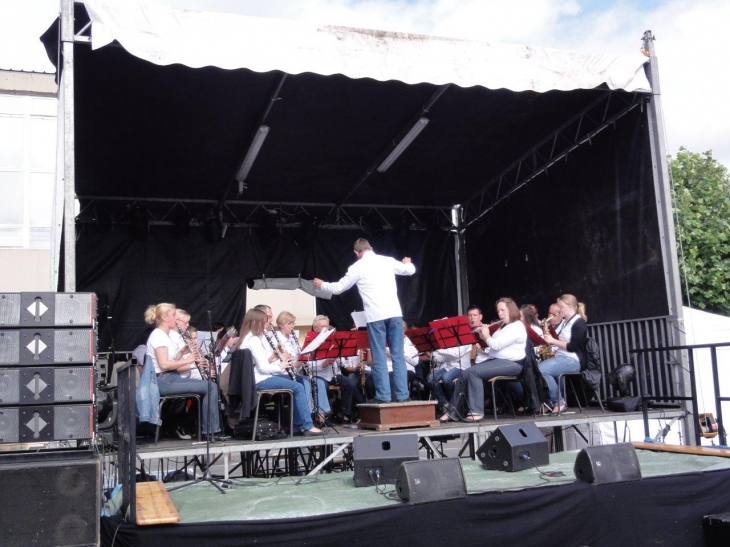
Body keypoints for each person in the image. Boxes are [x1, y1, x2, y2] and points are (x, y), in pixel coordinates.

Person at [313, 238, 415, 404]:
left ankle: (384, 396)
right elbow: (409, 271)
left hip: (375, 317)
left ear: (356, 253)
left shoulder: (357, 267)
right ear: (371, 248)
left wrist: (322, 284)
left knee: (379, 356)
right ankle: (403, 395)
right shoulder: (387, 260)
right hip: (395, 314)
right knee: (398, 355)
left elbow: (339, 288)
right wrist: (408, 263)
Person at [235, 308, 323, 436]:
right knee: (298, 387)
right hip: (261, 380)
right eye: (264, 322)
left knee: (297, 382)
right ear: (255, 322)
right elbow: (263, 369)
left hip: (256, 378)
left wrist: (276, 358)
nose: (266, 325)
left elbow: (260, 363)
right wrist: (282, 365)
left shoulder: (246, 338)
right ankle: (307, 425)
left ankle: (297, 425)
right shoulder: (254, 340)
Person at [440, 297, 526, 422]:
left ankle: (476, 412)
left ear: (511, 310)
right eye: (498, 311)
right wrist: (483, 336)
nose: (500, 314)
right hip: (498, 361)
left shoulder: (516, 326)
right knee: (466, 372)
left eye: (503, 310)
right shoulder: (503, 326)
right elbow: (492, 345)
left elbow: (496, 345)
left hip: (513, 364)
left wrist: (486, 335)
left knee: (474, 372)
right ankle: (452, 411)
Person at [144, 303, 221, 438]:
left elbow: (171, 360)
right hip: (163, 380)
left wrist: (181, 352)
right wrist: (189, 360)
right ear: (164, 317)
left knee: (209, 386)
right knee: (211, 387)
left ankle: (205, 429)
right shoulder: (158, 336)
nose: (176, 318)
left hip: (170, 377)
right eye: (173, 315)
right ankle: (210, 431)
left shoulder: (165, 335)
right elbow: (164, 365)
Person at [276, 312, 331, 421]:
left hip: (294, 373)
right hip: (282, 374)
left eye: (293, 323)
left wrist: (304, 359)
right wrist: (300, 361)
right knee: (305, 383)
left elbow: (297, 362)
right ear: (281, 325)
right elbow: (285, 364)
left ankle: (321, 415)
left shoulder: (292, 339)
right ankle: (307, 415)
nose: (292, 326)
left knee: (319, 382)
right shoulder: (277, 340)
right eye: (289, 323)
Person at [307, 315, 361, 423]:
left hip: (333, 374)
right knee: (323, 386)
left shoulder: (333, 341)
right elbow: (308, 365)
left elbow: (341, 363)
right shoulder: (311, 343)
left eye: (327, 326)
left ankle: (344, 413)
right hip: (319, 375)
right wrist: (323, 364)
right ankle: (325, 415)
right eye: (322, 326)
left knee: (350, 383)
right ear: (315, 328)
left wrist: (337, 356)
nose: (325, 329)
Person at [540, 294, 588, 414]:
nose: (559, 310)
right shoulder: (567, 322)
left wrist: (552, 341)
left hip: (573, 360)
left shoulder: (579, 323)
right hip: (563, 357)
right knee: (539, 370)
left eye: (561, 307)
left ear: (570, 306)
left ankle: (558, 402)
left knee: (542, 370)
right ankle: (549, 402)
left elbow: (573, 347)